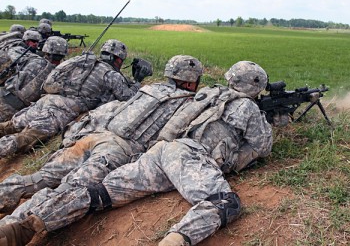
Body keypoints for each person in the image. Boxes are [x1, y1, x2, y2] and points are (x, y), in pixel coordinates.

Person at [0, 61, 273, 246]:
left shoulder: (206, 94)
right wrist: (235, 160)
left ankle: (28, 225)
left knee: (99, 193)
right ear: (255, 87)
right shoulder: (247, 107)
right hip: (189, 156)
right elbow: (262, 147)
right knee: (225, 203)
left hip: (160, 151)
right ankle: (175, 240)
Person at [0, 55, 202, 215]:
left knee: (40, 178)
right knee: (66, 192)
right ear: (191, 82)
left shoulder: (148, 89)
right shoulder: (187, 103)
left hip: (95, 137)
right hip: (116, 151)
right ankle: (12, 227)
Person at [0, 39, 143, 159]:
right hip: (60, 110)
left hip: (47, 99)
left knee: (10, 125)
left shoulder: (85, 63)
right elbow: (128, 97)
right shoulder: (112, 75)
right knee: (24, 139)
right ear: (118, 59)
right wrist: (138, 81)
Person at [0, 35, 68, 122]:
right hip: (18, 111)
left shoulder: (32, 59)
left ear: (45, 49)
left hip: (5, 98)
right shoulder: (59, 74)